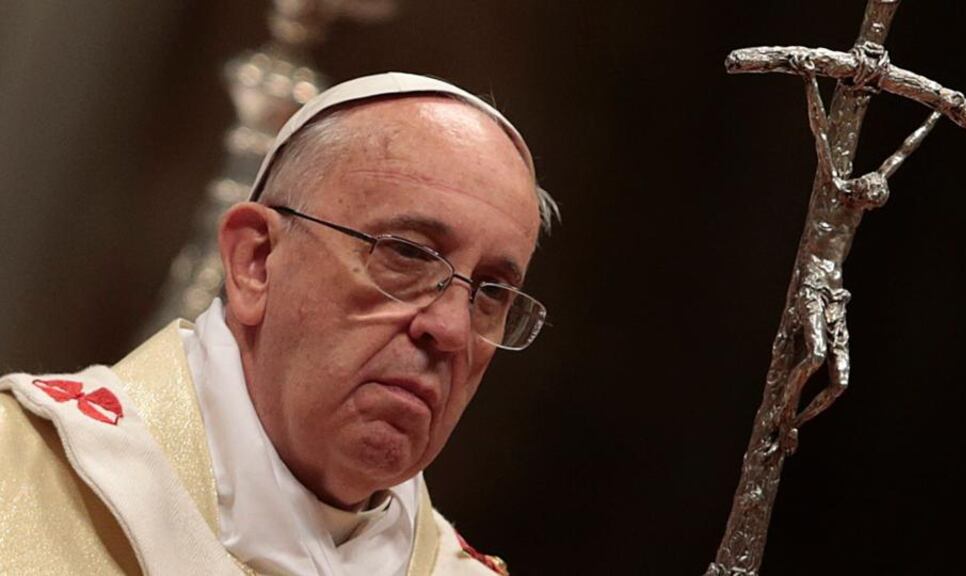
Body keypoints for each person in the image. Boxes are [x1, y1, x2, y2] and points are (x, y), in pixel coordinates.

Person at [0, 72, 558, 576]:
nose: (452, 330)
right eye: (408, 254)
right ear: (256, 262)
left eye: (492, 293)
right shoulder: (17, 477)